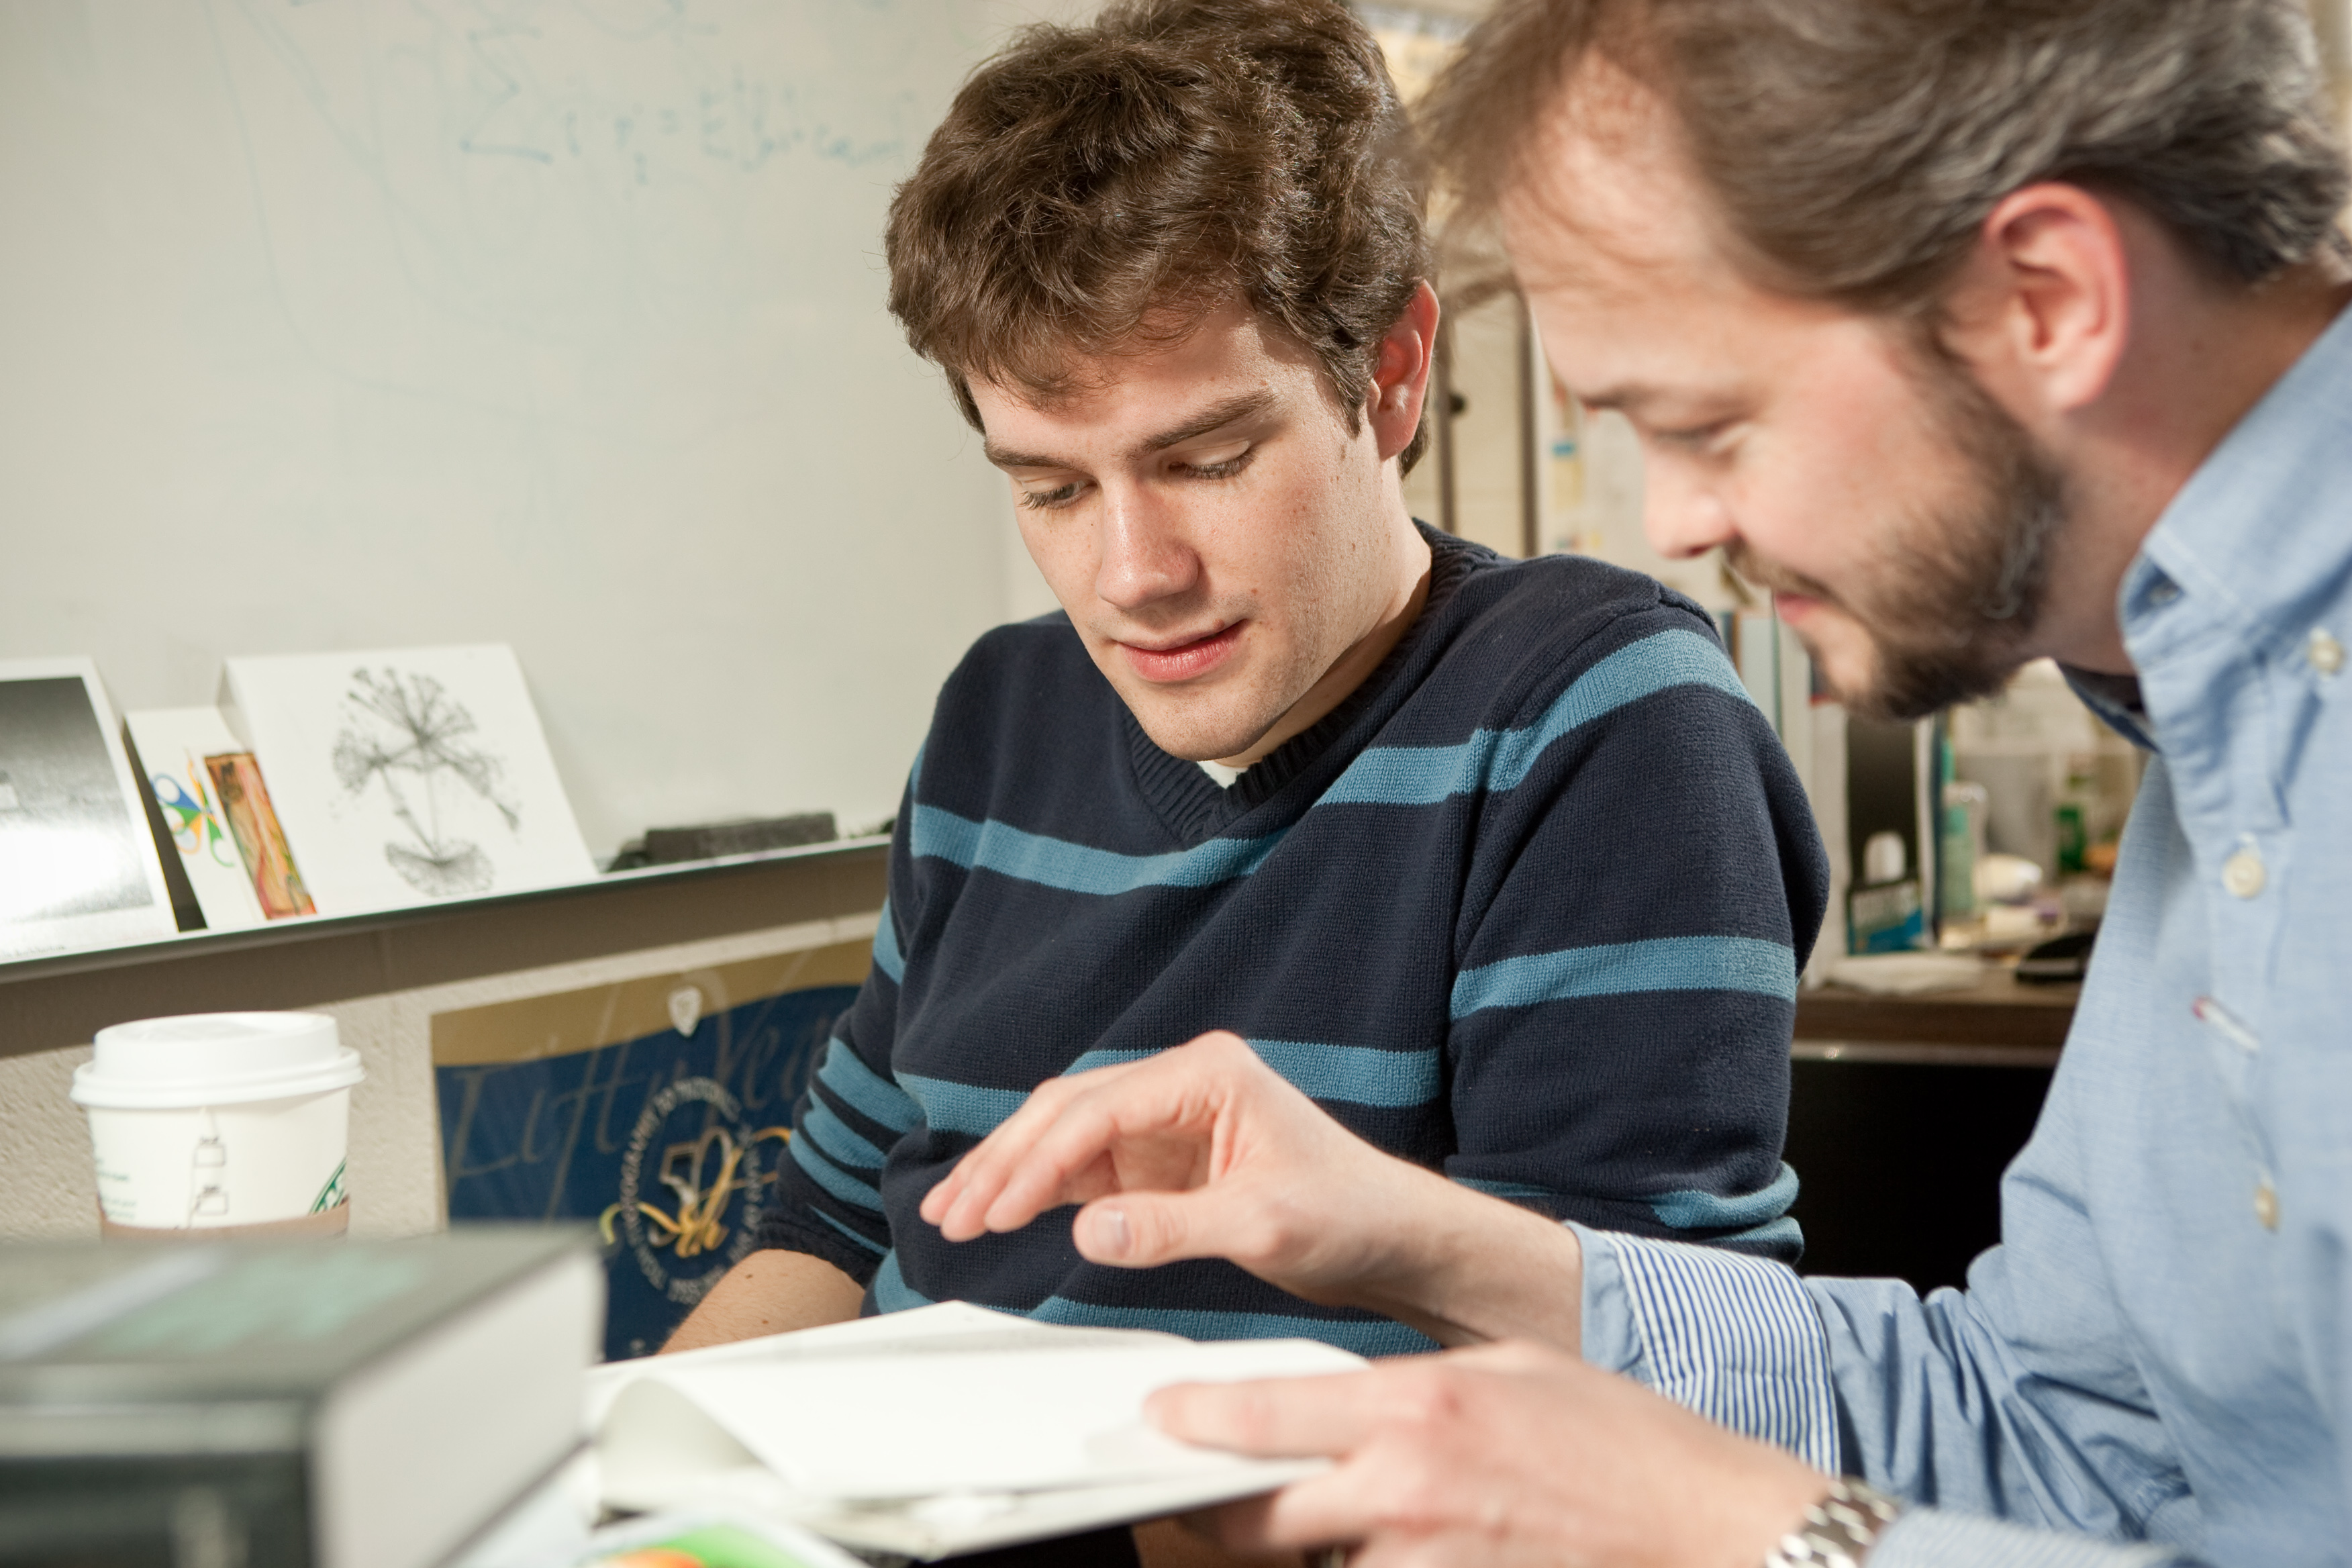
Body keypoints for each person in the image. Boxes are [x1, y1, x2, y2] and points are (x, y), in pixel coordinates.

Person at [919, 0, 2352, 1563]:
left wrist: (1755, 1536)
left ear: (2051, 295)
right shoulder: (2218, 725)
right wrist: (1422, 1243)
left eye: (1710, 422)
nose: (1670, 520)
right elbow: (2044, 1428)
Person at [666, 0, 1827, 1367]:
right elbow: (830, 1216)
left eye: (1208, 461)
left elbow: (1614, 1377)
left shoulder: (1599, 721)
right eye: (1048, 486)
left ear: (1388, 377)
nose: (1131, 574)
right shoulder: (999, 716)